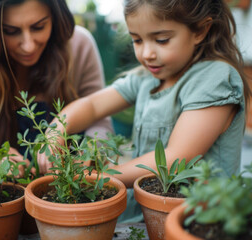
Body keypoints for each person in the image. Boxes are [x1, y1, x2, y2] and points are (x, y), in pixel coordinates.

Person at [37, 0, 252, 222]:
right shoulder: (147, 79)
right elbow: (92, 106)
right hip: (141, 218)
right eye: (137, 40)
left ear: (200, 30)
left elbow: (176, 157)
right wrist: (56, 130)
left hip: (196, 221)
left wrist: (100, 176)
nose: (147, 53)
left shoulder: (215, 79)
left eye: (161, 40)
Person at [0, 0, 113, 185]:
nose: (28, 46)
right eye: (10, 31)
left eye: (39, 27)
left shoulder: (79, 46)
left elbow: (101, 124)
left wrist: (88, 156)